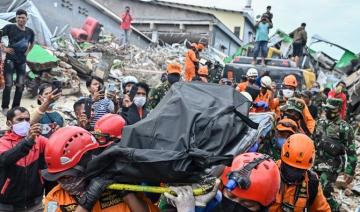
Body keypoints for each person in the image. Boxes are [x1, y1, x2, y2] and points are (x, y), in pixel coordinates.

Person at [42, 126, 158, 212]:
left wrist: (127, 193)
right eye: (59, 178)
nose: (65, 183)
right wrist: (86, 203)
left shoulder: (115, 183)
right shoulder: (55, 197)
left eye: (68, 176)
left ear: (87, 163)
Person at [164, 153, 280, 212]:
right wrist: (199, 207)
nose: (233, 205)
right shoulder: (216, 202)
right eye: (231, 196)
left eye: (247, 204)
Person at [313, 98, 357, 211]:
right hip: (316, 162)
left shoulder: (345, 128)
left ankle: (335, 208)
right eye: (326, 108)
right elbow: (313, 141)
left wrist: (349, 171)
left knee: (324, 190)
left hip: (332, 165)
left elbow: (351, 151)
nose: (327, 111)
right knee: (312, 188)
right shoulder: (320, 123)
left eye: (330, 109)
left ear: (338, 110)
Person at [0, 107, 47, 211]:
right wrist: (27, 142)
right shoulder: (2, 142)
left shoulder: (39, 139)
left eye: (27, 119)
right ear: (9, 123)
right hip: (8, 206)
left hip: (35, 203)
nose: (25, 123)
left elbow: (55, 148)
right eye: (20, 120)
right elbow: (4, 159)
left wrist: (56, 133)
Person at [268, 134, 331, 212]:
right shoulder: (268, 174)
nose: (293, 173)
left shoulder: (311, 183)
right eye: (290, 167)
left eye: (299, 170)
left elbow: (323, 209)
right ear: (282, 159)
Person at [1, 9, 35, 114]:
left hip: (22, 62)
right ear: (16, 18)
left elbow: (32, 43)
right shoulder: (10, 27)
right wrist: (4, 49)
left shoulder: (30, 32)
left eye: (22, 17)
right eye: (18, 17)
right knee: (9, 84)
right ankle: (5, 107)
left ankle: (15, 107)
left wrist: (27, 52)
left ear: (26, 19)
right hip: (10, 60)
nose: (20, 19)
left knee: (20, 85)